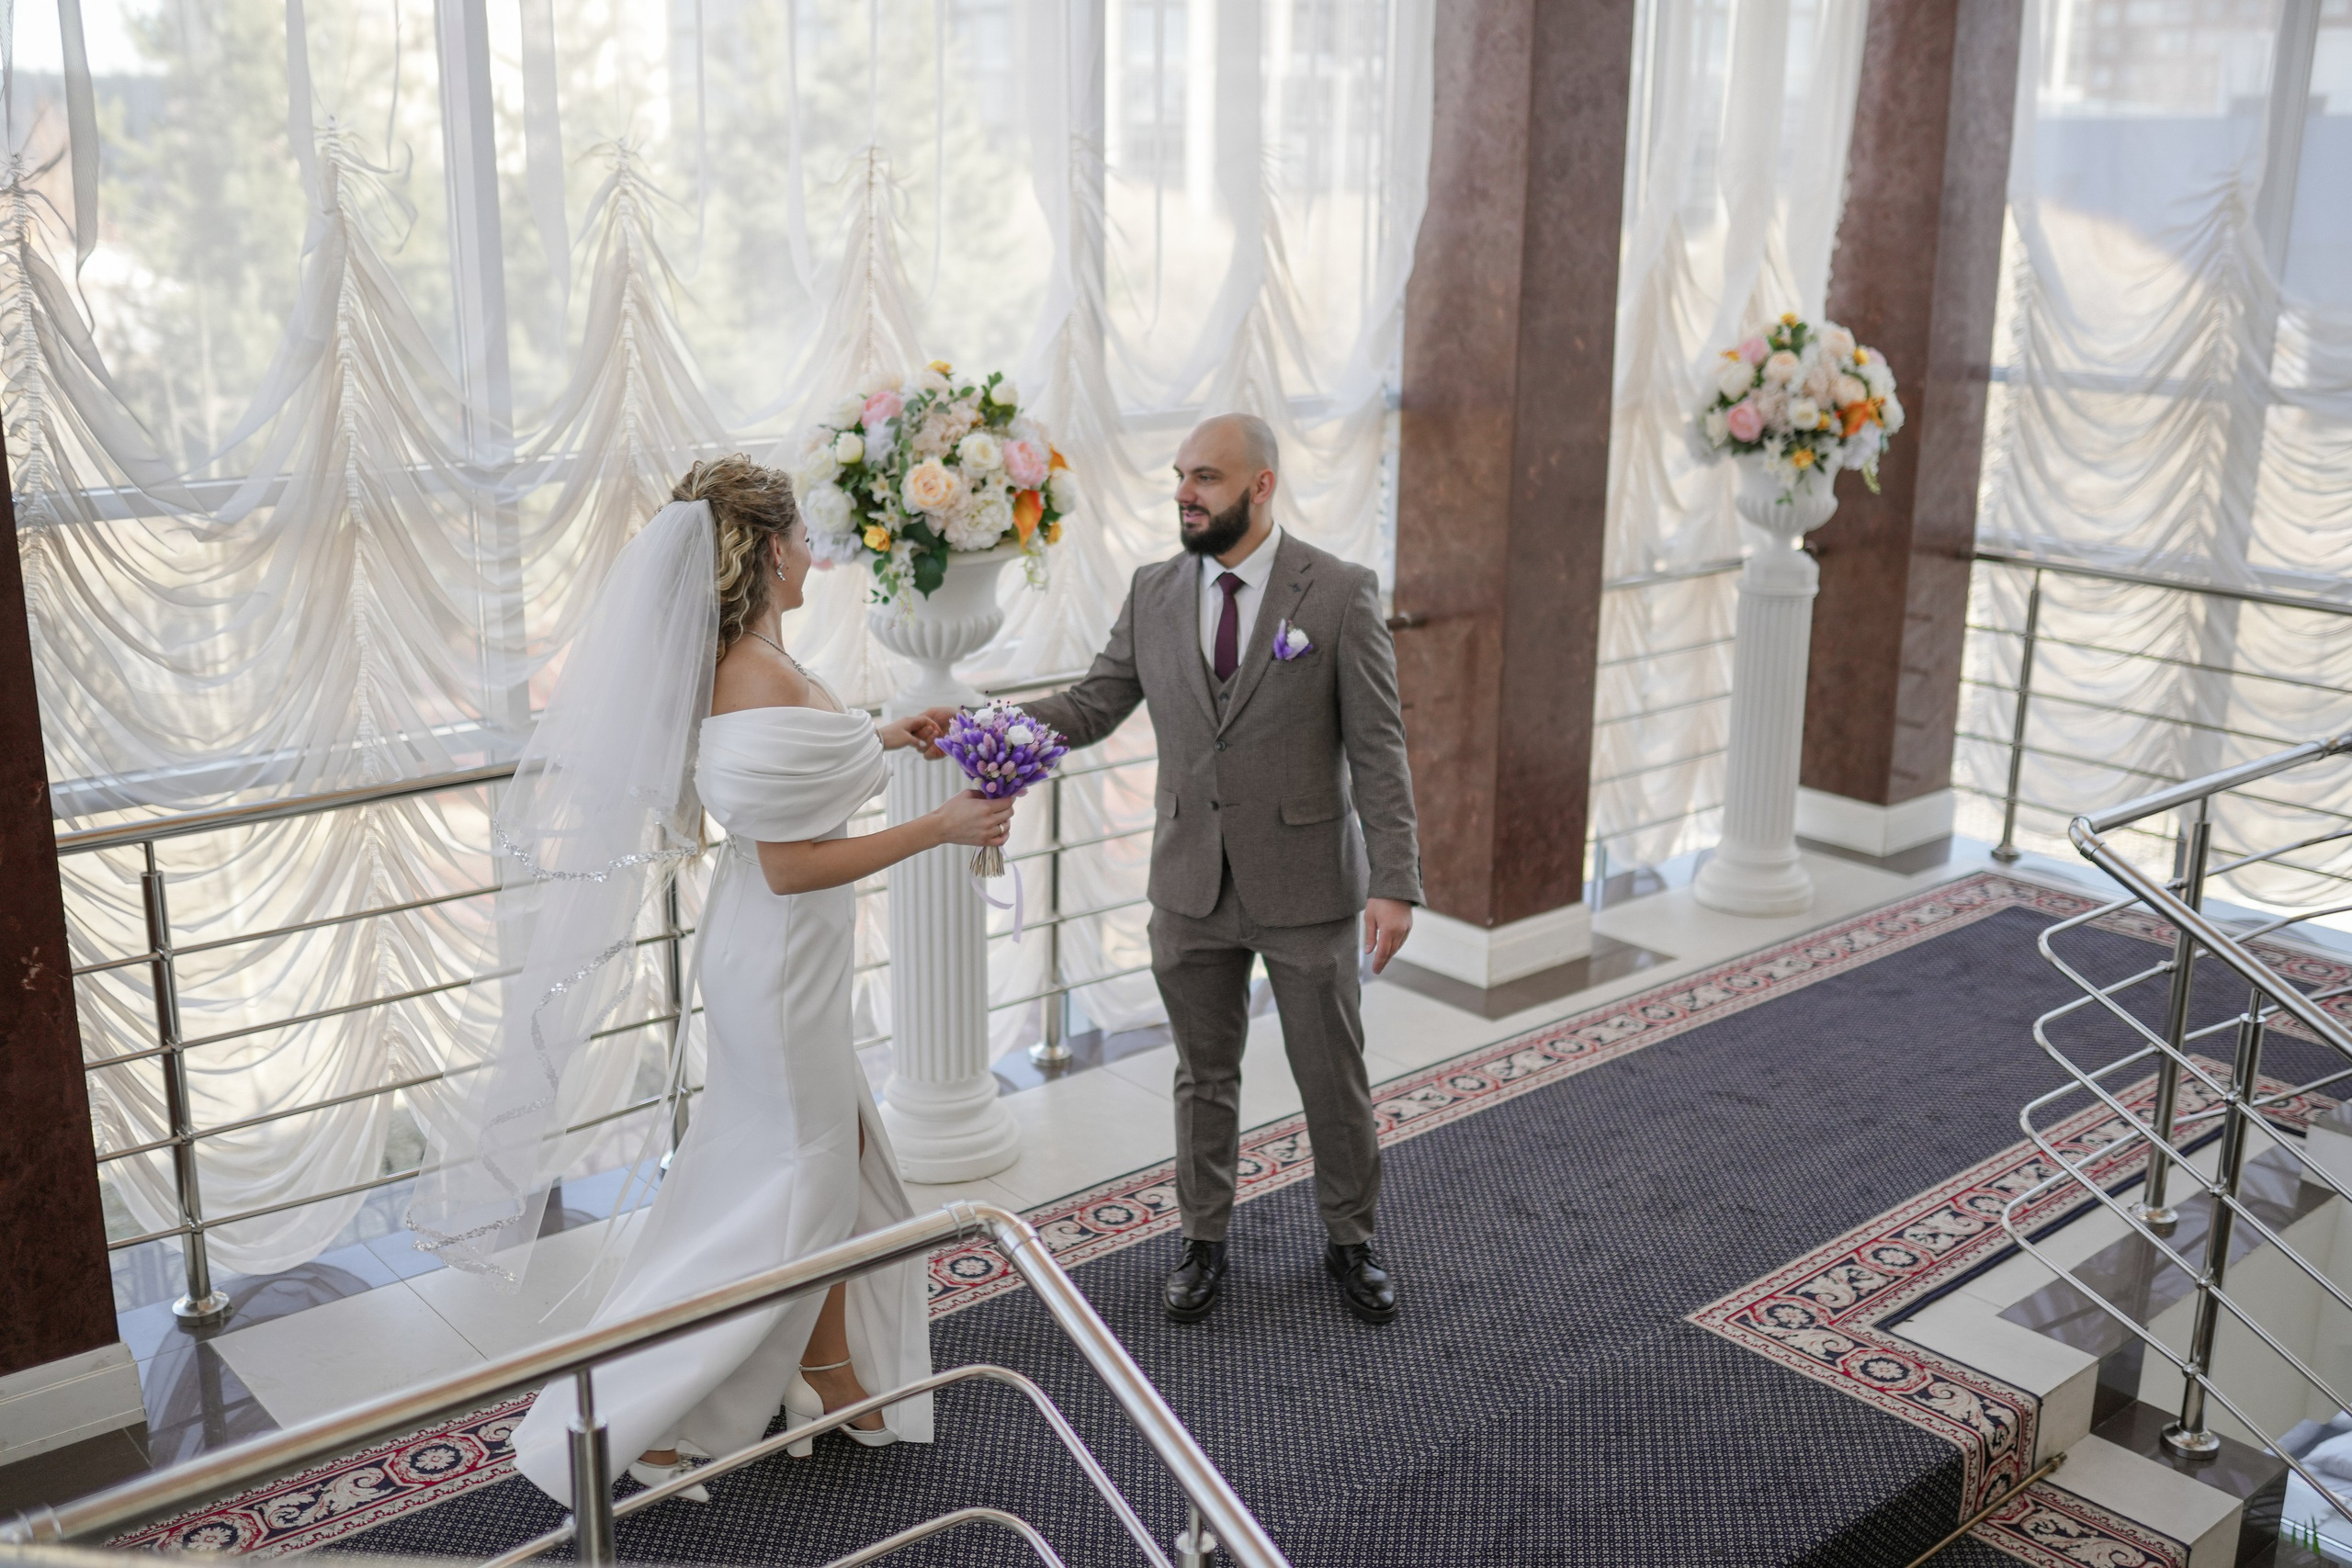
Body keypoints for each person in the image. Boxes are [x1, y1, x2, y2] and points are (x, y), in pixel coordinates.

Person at [414, 457, 994, 1506]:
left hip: (780, 957)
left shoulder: (757, 655)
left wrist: (885, 735)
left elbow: (790, 784)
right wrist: (942, 824)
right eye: (805, 534)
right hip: (778, 962)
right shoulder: (753, 670)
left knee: (830, 1164)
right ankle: (668, 1417)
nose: (818, 546)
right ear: (771, 550)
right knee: (798, 1184)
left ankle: (831, 1374)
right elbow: (790, 859)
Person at [1023, 414, 1421, 1326]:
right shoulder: (1153, 590)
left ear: (1262, 484)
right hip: (1188, 886)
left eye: (1205, 477)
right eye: (1178, 477)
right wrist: (985, 725)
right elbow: (1094, 704)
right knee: (1202, 1076)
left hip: (1308, 882)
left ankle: (1351, 1239)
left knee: (1331, 1073)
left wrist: (1394, 880)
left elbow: (1379, 749)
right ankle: (1202, 1241)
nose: (1185, 494)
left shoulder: (1338, 592)